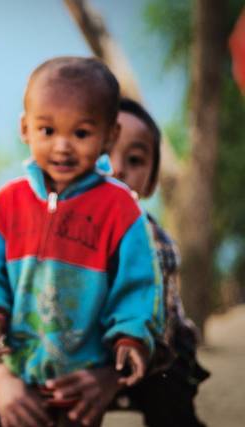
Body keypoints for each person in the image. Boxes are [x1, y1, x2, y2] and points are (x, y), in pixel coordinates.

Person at [0, 56, 164, 427]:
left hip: (81, 383)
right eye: (48, 130)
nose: (62, 147)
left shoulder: (121, 209)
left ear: (110, 136)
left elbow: (138, 286)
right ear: (25, 128)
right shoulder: (8, 203)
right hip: (16, 375)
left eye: (81, 134)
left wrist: (131, 337)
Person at [106, 97, 209, 427]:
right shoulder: (55, 229)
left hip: (158, 345)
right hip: (84, 343)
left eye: (135, 160)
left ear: (150, 183)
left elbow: (156, 329)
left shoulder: (153, 240)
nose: (116, 168)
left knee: (170, 394)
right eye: (103, 152)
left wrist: (104, 377)